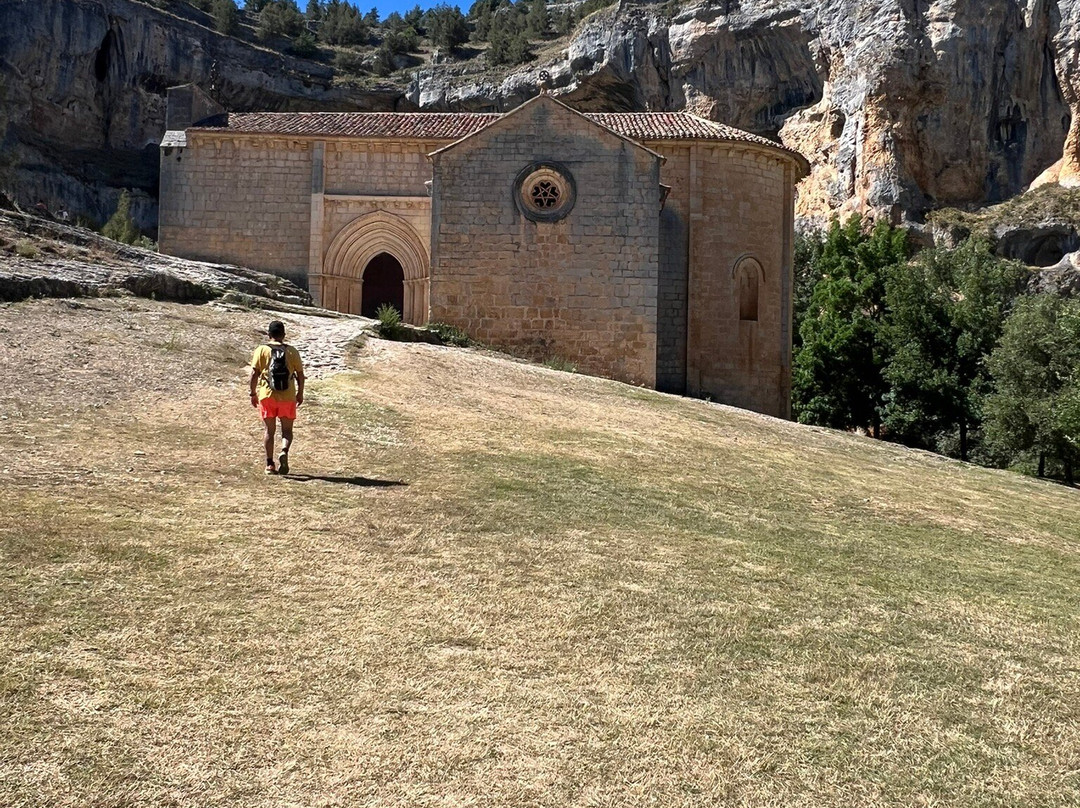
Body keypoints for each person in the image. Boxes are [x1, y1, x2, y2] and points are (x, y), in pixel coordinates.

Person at [249, 320, 305, 475]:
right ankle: (284, 451)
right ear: (284, 335)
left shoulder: (261, 350)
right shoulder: (292, 351)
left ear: (269, 334)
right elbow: (300, 375)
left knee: (269, 430)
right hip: (287, 396)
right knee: (287, 430)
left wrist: (253, 393)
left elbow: (254, 373)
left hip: (267, 395)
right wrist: (300, 393)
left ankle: (269, 464)